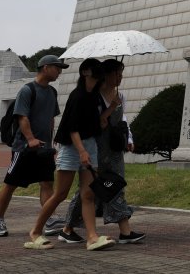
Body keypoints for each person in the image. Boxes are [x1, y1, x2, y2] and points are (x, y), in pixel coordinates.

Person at [24, 58, 115, 251]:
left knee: (88, 193)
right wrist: (81, 151)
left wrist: (111, 110)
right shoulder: (78, 96)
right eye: (96, 70)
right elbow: (73, 128)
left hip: (89, 145)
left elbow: (96, 123)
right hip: (72, 146)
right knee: (60, 193)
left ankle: (92, 237)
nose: (100, 74)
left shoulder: (94, 96)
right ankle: (35, 232)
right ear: (86, 72)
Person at [60, 59, 145, 245]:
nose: (120, 78)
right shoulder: (94, 96)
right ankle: (68, 228)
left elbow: (123, 120)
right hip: (97, 147)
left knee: (116, 184)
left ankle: (125, 230)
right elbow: (94, 123)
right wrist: (110, 109)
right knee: (90, 190)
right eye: (117, 74)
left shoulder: (120, 95)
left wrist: (128, 139)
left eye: (121, 75)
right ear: (106, 74)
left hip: (114, 148)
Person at [0, 55, 68, 238]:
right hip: (24, 147)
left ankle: (49, 220)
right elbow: (22, 117)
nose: (59, 72)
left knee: (47, 183)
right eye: (57, 68)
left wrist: (51, 138)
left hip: (44, 148)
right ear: (45, 67)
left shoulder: (52, 92)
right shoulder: (28, 90)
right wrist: (31, 139)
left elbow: (50, 117)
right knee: (11, 184)